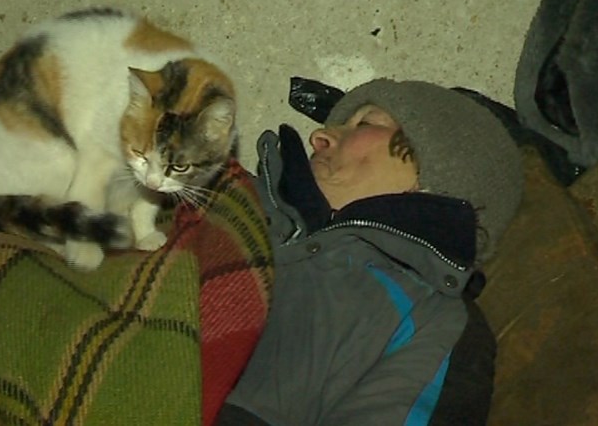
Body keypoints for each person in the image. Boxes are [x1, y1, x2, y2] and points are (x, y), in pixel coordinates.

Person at [216, 79, 524, 425]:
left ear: (440, 172)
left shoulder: (434, 320)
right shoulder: (227, 195)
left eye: (364, 123)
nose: (318, 137)